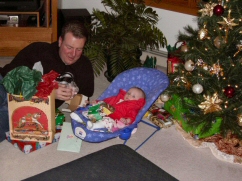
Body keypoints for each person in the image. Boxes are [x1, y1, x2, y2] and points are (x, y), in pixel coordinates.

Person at [0, 20, 94, 142]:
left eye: (79, 49)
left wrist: (75, 99)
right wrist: (49, 91)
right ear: (60, 41)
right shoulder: (38, 51)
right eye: (69, 47)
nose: (73, 54)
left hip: (25, 106)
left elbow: (84, 98)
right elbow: (10, 77)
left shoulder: (84, 67)